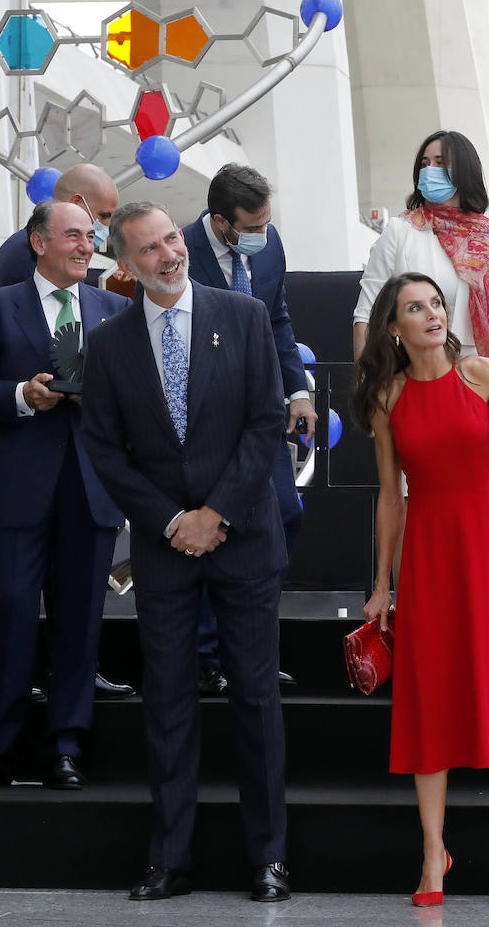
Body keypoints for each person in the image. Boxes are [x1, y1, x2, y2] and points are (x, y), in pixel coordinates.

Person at [81, 202, 290, 903]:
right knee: (167, 704)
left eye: (172, 239)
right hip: (165, 549)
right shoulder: (106, 345)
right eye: (149, 249)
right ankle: (170, 859)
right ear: (126, 265)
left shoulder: (244, 315)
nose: (169, 255)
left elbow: (266, 426)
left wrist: (215, 513)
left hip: (244, 539)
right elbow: (104, 451)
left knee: (256, 700)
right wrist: (174, 521)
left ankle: (268, 859)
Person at [353, 273, 489, 908]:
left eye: (436, 304)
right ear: (394, 326)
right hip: (428, 555)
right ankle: (433, 850)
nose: (431, 314)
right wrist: (381, 586)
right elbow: (389, 497)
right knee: (430, 696)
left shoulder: (481, 373)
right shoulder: (387, 396)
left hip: (488, 546)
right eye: (414, 307)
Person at [0, 201, 128, 791]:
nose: (84, 245)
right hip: (23, 487)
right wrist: (22, 396)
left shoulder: (115, 308)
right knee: (15, 613)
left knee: (80, 622)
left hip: (92, 489)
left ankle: (67, 746)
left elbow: (136, 398)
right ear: (37, 242)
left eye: (91, 236)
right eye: (73, 234)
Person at [181, 163, 313, 696]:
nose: (263, 234)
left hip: (261, 418)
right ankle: (207, 655)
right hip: (200, 424)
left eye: (266, 223)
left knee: (283, 516)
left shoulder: (270, 243)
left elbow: (277, 317)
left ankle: (247, 647)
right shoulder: (179, 251)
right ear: (219, 222)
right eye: (251, 226)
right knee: (213, 534)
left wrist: (298, 390)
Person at [353, 129, 489, 474]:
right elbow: (366, 316)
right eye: (425, 163)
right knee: (415, 502)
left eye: (441, 163)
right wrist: (372, 393)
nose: (430, 170)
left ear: (465, 171)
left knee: (473, 501)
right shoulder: (400, 232)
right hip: (412, 386)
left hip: (476, 389)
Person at [0, 163, 120, 292]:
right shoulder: (35, 252)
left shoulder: (29, 243)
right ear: (76, 203)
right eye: (103, 216)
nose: (106, 226)